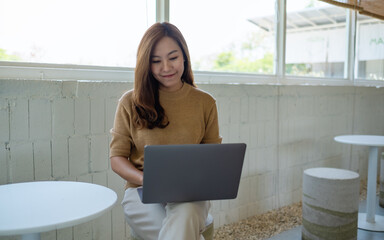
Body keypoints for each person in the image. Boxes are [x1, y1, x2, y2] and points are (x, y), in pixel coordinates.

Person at [109, 22, 222, 240]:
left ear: (184, 57)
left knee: (186, 214)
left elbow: (212, 158)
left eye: (173, 58)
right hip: (141, 190)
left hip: (191, 192)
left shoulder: (206, 103)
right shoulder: (129, 102)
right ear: (145, 64)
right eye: (156, 61)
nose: (166, 68)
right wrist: (147, 180)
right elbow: (117, 158)